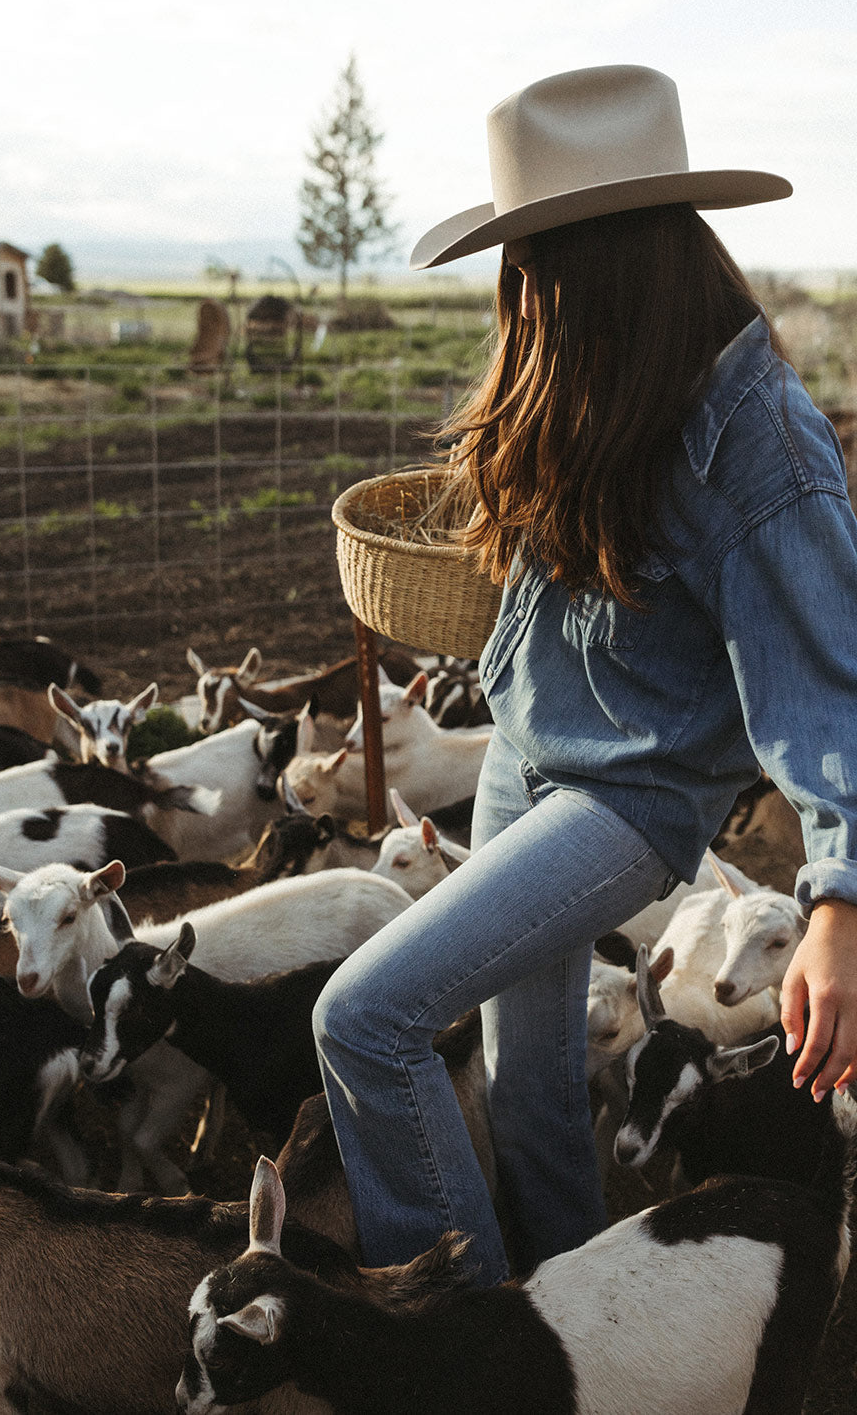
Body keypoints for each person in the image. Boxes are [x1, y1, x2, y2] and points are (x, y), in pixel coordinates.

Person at [312, 64, 857, 1287]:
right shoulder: (609, 384)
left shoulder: (755, 438)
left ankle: (466, 1343)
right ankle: (569, 1315)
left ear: (608, 257)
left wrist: (839, 902)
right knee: (529, 1085)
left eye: (534, 265)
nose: (521, 298)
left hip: (629, 797)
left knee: (367, 1016)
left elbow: (831, 686)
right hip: (528, 750)